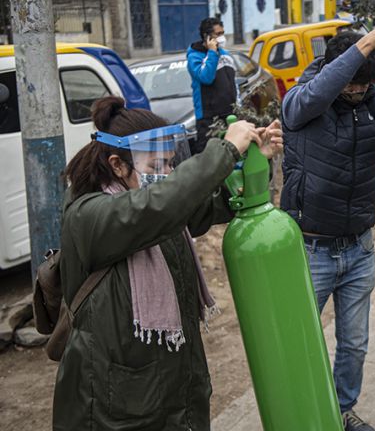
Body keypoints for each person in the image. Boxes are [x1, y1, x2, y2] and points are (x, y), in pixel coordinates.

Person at [52, 96, 283, 430]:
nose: (167, 174)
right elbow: (156, 205)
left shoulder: (161, 207)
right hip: (115, 408)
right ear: (117, 165)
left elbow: (211, 203)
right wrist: (223, 151)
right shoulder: (88, 216)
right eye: (155, 167)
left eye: (170, 164)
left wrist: (254, 161)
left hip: (174, 395)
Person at [280, 20, 375, 431]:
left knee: (354, 345)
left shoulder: (372, 105)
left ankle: (341, 411)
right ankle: (301, 416)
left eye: (363, 86)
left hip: (359, 248)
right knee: (300, 343)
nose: (355, 92)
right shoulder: (303, 103)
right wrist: (367, 43)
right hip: (310, 251)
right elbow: (310, 98)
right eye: (349, 84)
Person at [187, 17, 237, 154]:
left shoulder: (226, 55)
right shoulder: (195, 57)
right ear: (207, 36)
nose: (222, 37)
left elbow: (233, 83)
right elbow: (206, 77)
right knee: (209, 159)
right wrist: (212, 52)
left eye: (223, 33)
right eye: (218, 34)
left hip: (229, 116)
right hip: (209, 119)